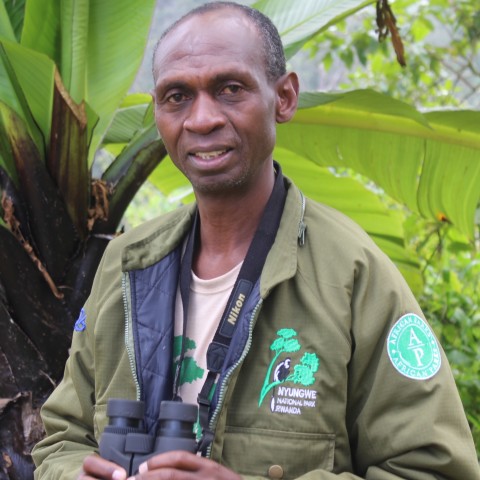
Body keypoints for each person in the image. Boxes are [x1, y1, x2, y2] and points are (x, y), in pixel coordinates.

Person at [32, 2, 480, 479]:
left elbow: (435, 468)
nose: (201, 119)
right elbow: (62, 435)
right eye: (177, 96)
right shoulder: (127, 262)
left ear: (283, 97)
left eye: (230, 89)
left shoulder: (352, 274)